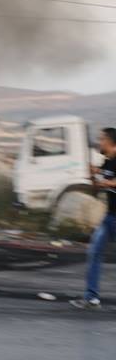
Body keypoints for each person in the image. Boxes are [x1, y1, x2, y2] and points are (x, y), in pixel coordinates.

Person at [71, 127, 116, 310]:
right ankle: (91, 298)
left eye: (102, 139)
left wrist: (104, 182)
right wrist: (93, 175)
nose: (99, 142)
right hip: (110, 217)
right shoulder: (107, 162)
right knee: (94, 252)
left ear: (111, 142)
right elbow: (98, 186)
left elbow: (110, 182)